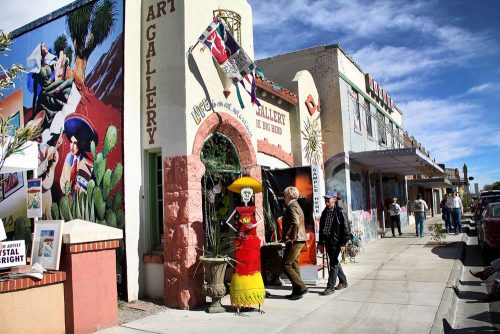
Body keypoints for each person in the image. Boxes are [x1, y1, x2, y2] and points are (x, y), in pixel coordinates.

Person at [226, 177, 266, 311]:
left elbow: (261, 219)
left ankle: (253, 296)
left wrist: (254, 224)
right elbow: (228, 221)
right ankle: (242, 298)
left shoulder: (254, 209)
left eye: (248, 193)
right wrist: (238, 231)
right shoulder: (238, 209)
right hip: (242, 242)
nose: (246, 196)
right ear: (242, 195)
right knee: (242, 267)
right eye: (245, 193)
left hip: (252, 242)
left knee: (253, 267)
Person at [318, 190, 350, 295]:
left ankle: (330, 287)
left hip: (336, 242)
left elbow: (346, 230)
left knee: (333, 263)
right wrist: (321, 243)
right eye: (325, 200)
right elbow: (322, 229)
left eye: (328, 200)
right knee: (334, 261)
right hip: (327, 241)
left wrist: (343, 243)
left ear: (334, 200)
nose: (326, 202)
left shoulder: (340, 212)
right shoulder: (325, 212)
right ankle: (343, 281)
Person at [60, 114, 98, 200]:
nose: (72, 147)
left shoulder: (88, 163)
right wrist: (68, 194)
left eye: (75, 143)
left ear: (80, 144)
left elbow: (87, 191)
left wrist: (79, 190)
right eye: (71, 142)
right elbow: (63, 180)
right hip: (67, 203)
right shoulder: (68, 157)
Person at [281, 186, 308, 300]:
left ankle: (301, 287)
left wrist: (291, 237)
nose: (284, 197)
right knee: (294, 264)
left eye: (285, 195)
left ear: (289, 195)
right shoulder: (294, 205)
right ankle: (297, 290)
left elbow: (295, 222)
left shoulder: (292, 205)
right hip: (298, 239)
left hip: (296, 240)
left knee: (286, 265)